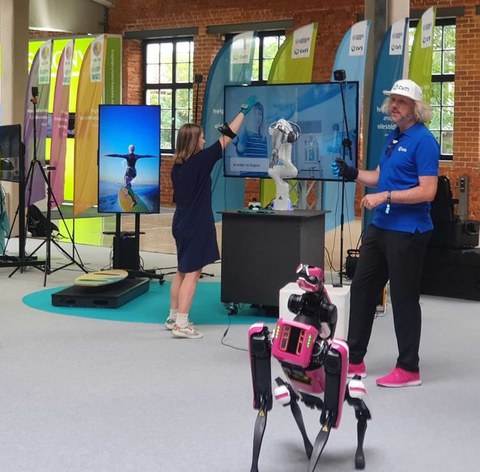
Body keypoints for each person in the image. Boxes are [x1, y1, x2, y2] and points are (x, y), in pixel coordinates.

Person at [331, 79, 439, 388]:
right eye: (392, 100)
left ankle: (408, 369)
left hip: (409, 230)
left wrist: (386, 197)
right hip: (382, 226)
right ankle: (354, 358)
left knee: (403, 298)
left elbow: (428, 191)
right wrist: (353, 173)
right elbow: (379, 177)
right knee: (363, 289)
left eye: (401, 102)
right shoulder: (394, 137)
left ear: (415, 109)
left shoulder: (424, 141)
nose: (394, 106)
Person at [165, 95, 258, 339]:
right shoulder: (202, 161)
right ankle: (182, 324)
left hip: (181, 224)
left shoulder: (178, 167)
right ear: (194, 142)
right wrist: (243, 112)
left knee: (182, 271)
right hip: (196, 225)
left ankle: (173, 315)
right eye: (202, 137)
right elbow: (228, 137)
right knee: (193, 274)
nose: (206, 140)